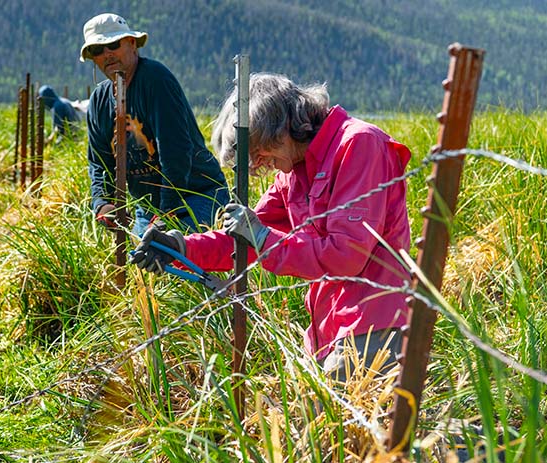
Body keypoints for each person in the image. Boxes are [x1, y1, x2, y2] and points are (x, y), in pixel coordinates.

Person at [130, 73, 413, 381]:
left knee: (334, 424)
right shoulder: (294, 169)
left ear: (283, 128)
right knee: (316, 420)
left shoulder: (358, 145)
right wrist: (181, 248)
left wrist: (263, 237)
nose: (259, 164)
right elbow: (242, 239)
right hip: (328, 328)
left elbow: (346, 256)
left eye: (260, 151)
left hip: (374, 326)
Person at [79, 13, 229, 236]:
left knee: (176, 261)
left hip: (196, 195)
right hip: (149, 207)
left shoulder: (156, 80)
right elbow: (99, 162)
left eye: (113, 44)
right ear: (92, 58)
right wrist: (103, 202)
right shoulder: (100, 101)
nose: (107, 54)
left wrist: (167, 213)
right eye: (97, 50)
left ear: (132, 44)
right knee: (144, 264)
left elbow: (175, 151)